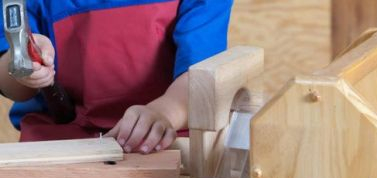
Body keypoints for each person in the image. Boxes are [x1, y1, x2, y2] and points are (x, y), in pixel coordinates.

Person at [0, 0, 233, 154]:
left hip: (166, 144)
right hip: (58, 145)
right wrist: (24, 68)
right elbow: (11, 85)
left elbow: (200, 76)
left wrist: (165, 113)